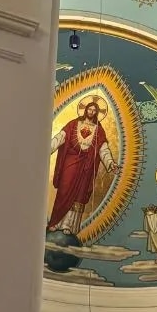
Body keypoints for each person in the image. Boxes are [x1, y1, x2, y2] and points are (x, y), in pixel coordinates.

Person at [49, 95, 118, 234]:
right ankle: (56, 222)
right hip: (70, 162)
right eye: (89, 109)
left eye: (94, 110)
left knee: (78, 195)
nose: (91, 112)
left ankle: (68, 225)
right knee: (64, 191)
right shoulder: (73, 124)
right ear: (85, 110)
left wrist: (110, 163)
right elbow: (61, 137)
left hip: (85, 167)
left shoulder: (99, 129)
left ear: (97, 113)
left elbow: (103, 148)